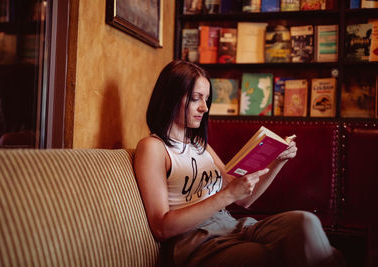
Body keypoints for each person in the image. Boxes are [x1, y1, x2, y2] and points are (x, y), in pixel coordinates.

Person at [134, 60, 344, 267]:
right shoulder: (153, 147)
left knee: (305, 223)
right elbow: (161, 227)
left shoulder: (198, 144)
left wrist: (278, 161)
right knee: (283, 255)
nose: (204, 107)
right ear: (170, 98)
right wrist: (228, 194)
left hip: (232, 225)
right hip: (196, 241)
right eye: (196, 98)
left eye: (206, 99)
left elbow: (245, 199)